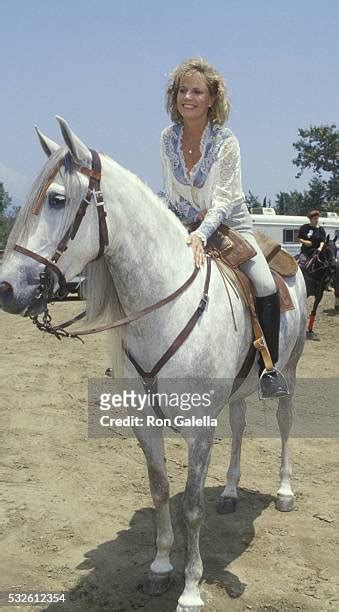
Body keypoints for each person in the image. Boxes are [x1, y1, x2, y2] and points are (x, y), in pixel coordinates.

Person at [159, 57, 288, 398]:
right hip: (189, 226)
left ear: (212, 99)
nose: (188, 97)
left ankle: (269, 369)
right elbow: (172, 192)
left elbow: (225, 199)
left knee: (264, 283)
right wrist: (190, 226)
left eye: (197, 91)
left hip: (232, 227)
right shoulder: (166, 139)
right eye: (182, 90)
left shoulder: (227, 141)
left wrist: (203, 232)